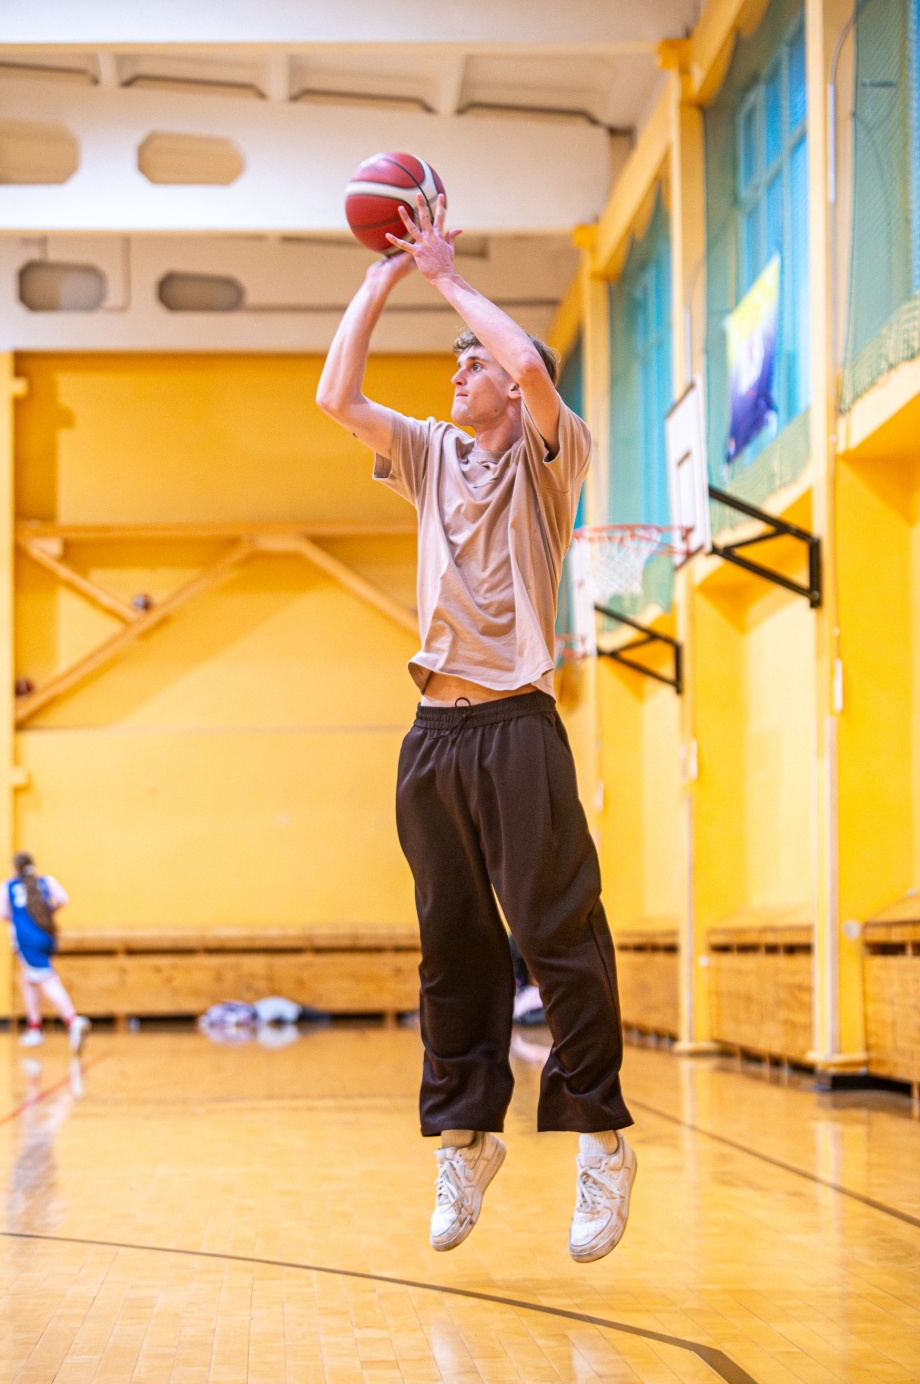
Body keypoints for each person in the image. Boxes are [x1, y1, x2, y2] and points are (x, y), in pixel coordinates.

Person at [316, 193, 635, 1263]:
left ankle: (599, 1140)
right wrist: (382, 276)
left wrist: (448, 276)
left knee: (555, 933)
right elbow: (335, 395)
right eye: (456, 364)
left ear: (511, 382)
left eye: (474, 365)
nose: (458, 375)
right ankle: (465, 1139)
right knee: (452, 948)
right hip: (433, 737)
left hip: (518, 726)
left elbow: (535, 370)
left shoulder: (553, 454)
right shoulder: (427, 454)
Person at [0, 852, 91, 1053]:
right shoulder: (46, 882)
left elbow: (1, 913)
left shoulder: (8, 887)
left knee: (46, 979)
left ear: (15, 868)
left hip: (26, 940)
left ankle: (73, 1020)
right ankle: (35, 1028)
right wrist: (46, 912)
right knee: (29, 980)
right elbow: (63, 899)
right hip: (46, 935)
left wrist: (21, 918)